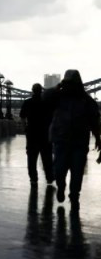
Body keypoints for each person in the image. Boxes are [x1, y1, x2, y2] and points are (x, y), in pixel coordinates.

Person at [43, 70, 100, 209]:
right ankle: (61, 187)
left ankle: (74, 195)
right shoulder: (58, 96)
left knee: (77, 172)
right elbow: (45, 97)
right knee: (59, 170)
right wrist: (58, 88)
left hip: (78, 142)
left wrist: (98, 138)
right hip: (61, 140)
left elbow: (94, 120)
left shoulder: (86, 100)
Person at [20, 83, 54, 186]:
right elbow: (52, 117)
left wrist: (25, 127)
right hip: (45, 133)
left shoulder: (27, 102)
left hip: (32, 133)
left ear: (32, 90)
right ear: (41, 90)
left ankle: (33, 178)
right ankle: (49, 177)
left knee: (31, 158)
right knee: (47, 157)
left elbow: (22, 116)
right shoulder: (47, 102)